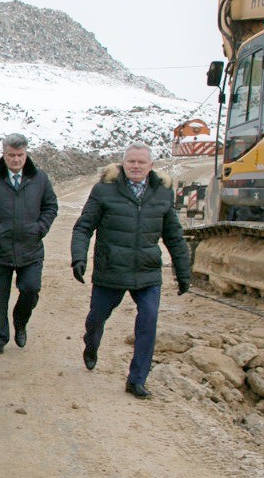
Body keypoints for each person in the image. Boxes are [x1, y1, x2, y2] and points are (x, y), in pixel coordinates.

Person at [70, 142, 192, 399]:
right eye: (131, 161)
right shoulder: (104, 190)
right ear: (123, 164)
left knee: (148, 320)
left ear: (151, 166)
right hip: (111, 269)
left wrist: (183, 272)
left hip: (147, 272)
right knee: (96, 318)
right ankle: (91, 345)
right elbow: (83, 227)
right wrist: (78, 258)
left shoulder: (162, 193)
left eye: (141, 162)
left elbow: (174, 236)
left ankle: (137, 380)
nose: (136, 166)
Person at [0, 133, 59, 355]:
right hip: (0, 249)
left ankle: (20, 321)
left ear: (26, 154)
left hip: (30, 248)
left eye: (20, 155)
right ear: (3, 154)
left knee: (31, 289)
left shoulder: (40, 179)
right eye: (11, 155)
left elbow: (50, 206)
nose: (16, 160)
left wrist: (40, 228)